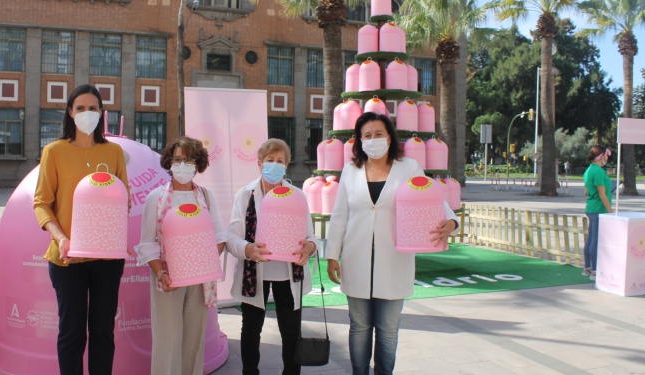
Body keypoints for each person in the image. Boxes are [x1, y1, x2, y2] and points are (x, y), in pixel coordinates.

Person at [325, 112, 459, 375]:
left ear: (389, 137)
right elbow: (340, 214)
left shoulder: (408, 167)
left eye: (378, 134)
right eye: (367, 135)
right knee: (359, 326)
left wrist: (451, 221)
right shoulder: (351, 170)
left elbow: (431, 197)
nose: (373, 140)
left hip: (394, 259)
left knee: (387, 328)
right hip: (356, 258)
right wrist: (332, 255)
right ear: (359, 140)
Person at [34, 84, 130, 375]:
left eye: (93, 108)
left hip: (107, 259)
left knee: (103, 332)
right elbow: (42, 204)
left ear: (101, 113)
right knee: (72, 334)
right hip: (67, 258)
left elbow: (122, 199)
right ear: (70, 112)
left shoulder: (113, 152)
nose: (87, 113)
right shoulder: (54, 151)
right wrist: (62, 238)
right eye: (80, 108)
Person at [135, 136, 226, 375]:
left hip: (199, 281)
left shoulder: (205, 197)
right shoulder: (156, 198)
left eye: (188, 160)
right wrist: (161, 273)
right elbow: (147, 243)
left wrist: (202, 263)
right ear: (169, 162)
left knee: (194, 339)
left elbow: (218, 235)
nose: (183, 165)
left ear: (198, 164)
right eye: (178, 159)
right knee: (168, 340)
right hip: (168, 280)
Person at [226, 139, 318, 375]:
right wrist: (247, 250)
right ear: (259, 163)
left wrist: (310, 246)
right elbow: (232, 238)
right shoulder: (245, 195)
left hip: (288, 272)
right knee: (251, 330)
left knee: (290, 331)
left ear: (287, 165)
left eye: (280, 161)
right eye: (269, 161)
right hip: (254, 273)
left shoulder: (298, 196)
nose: (274, 166)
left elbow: (311, 236)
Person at [582, 145, 613, 281]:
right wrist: (611, 212)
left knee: (590, 239)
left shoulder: (589, 170)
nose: (608, 158)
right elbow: (602, 194)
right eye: (607, 155)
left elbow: (586, 191)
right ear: (602, 156)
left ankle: (587, 267)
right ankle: (595, 271)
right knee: (595, 240)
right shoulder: (599, 172)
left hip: (591, 207)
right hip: (598, 209)